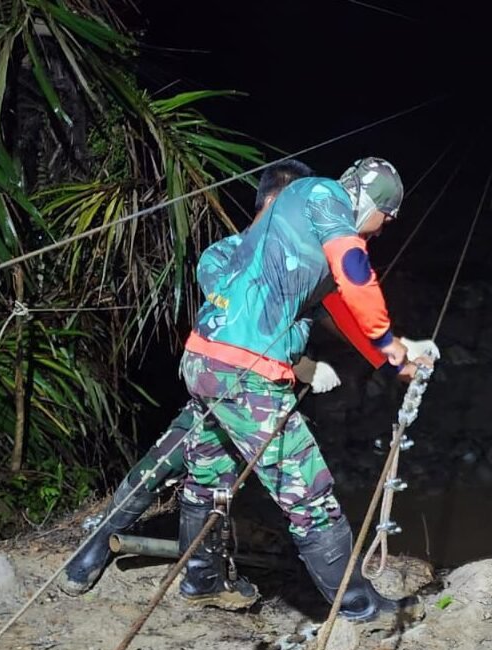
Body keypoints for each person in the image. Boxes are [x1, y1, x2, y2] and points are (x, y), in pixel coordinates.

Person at [60, 158, 341, 595]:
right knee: (166, 459)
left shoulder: (301, 265)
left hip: (254, 387)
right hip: (226, 380)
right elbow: (244, 317)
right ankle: (96, 547)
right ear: (275, 204)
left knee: (206, 475)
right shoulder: (226, 254)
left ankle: (200, 577)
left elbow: (328, 315)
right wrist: (303, 365)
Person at [178, 157, 434, 619]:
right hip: (247, 372)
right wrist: (385, 337)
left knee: (208, 479)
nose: (381, 231)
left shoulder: (303, 219)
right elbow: (354, 270)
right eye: (386, 219)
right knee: (309, 494)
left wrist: (389, 354)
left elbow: (335, 304)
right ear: (371, 202)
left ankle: (202, 579)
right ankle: (360, 608)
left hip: (206, 359)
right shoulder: (325, 197)